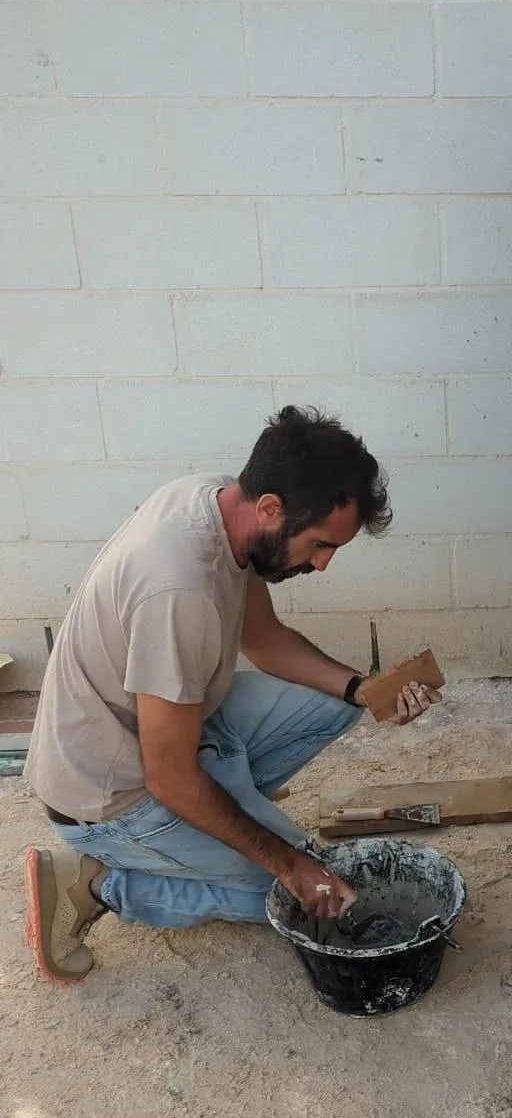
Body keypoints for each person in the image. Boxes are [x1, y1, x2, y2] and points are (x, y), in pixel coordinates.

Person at [23, 405, 441, 984]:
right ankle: (96, 878)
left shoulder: (222, 501)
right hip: (113, 790)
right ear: (271, 509)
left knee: (332, 701)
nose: (321, 565)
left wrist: (362, 690)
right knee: (303, 898)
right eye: (320, 544)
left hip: (180, 725)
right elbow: (167, 777)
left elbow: (265, 642)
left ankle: (224, 806)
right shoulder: (177, 589)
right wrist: (290, 864)